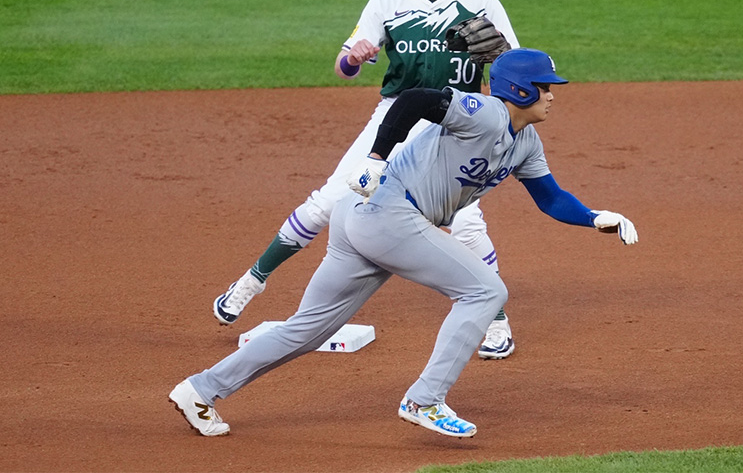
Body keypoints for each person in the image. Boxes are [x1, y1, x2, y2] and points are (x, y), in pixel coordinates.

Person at [170, 48, 639, 438]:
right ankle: (424, 401)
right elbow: (414, 98)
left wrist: (596, 216)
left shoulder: (525, 140)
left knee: (307, 329)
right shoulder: (487, 113)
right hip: (387, 212)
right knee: (486, 291)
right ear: (519, 90)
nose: (552, 94)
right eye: (545, 86)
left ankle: (200, 389)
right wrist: (376, 155)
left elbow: (551, 198)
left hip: (367, 221)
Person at [212, 0, 522, 359]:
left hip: (457, 119)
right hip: (396, 115)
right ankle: (251, 281)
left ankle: (496, 322)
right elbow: (343, 67)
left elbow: (513, 62)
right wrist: (355, 57)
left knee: (466, 223)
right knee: (328, 200)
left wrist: (498, 54)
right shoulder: (388, 0)